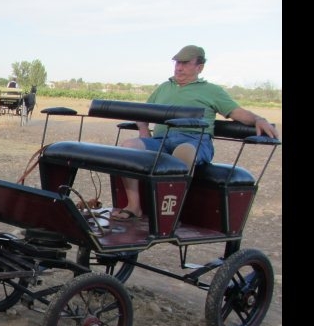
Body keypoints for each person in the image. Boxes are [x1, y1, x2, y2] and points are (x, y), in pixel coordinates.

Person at [110, 44, 280, 221]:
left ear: (200, 67)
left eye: (185, 63)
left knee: (184, 152)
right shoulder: (163, 88)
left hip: (195, 140)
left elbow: (237, 112)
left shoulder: (212, 91)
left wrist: (259, 119)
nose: (179, 68)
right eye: (177, 63)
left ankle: (170, 215)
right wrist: (144, 130)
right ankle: (134, 206)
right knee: (128, 147)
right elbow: (142, 113)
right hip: (161, 141)